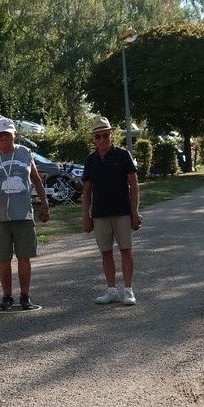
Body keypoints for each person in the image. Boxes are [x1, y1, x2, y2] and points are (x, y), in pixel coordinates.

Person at [0, 117, 50, 309]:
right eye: (0, 135)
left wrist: (45, 203)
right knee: (3, 259)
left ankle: (25, 296)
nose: (4, 138)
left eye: (8, 134)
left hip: (23, 214)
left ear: (15, 134)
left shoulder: (25, 153)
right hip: (0, 216)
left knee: (24, 257)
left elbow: (36, 180)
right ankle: (7, 296)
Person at [82, 117, 142, 305]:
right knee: (106, 252)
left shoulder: (123, 155)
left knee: (126, 250)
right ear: (93, 138)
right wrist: (86, 215)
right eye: (98, 136)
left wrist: (134, 212)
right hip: (100, 214)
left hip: (122, 212)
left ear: (111, 135)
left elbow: (134, 184)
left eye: (105, 135)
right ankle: (111, 290)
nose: (102, 139)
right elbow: (87, 191)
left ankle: (128, 290)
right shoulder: (90, 160)